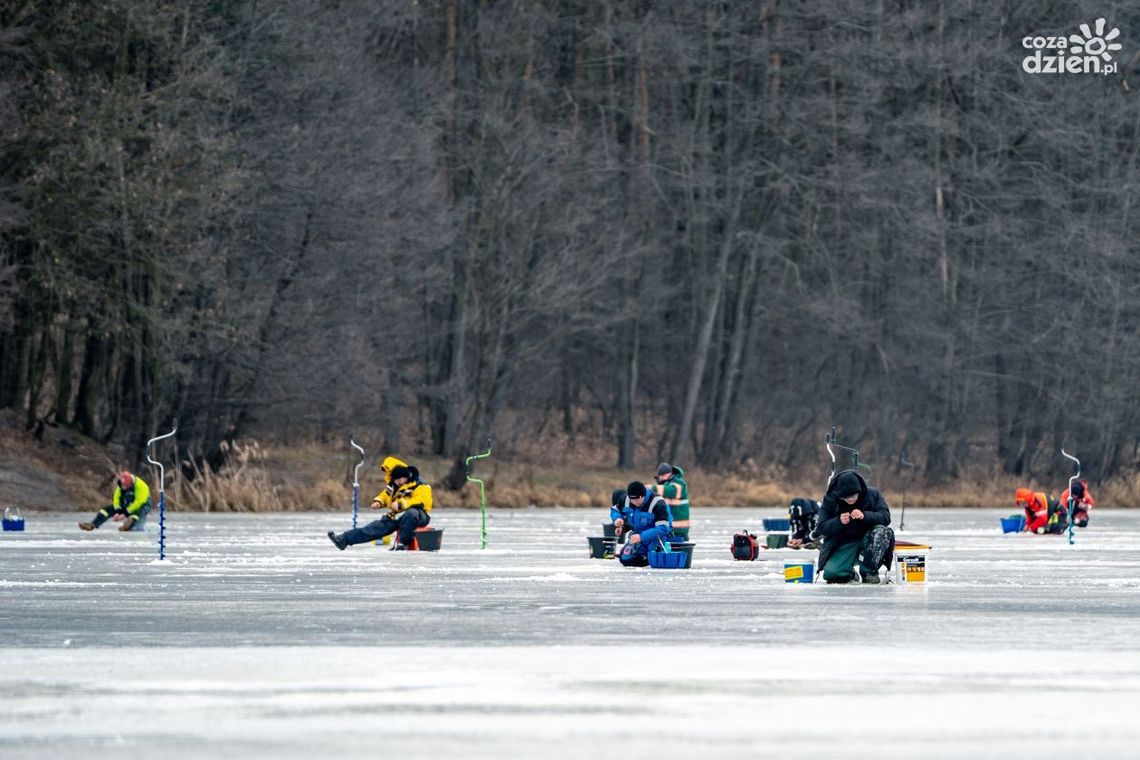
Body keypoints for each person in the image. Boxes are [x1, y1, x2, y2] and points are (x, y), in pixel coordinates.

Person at [328, 464, 433, 550]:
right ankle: (343, 539)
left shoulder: (420, 486)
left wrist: (400, 504)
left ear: (406, 477)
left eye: (400, 479)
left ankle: (403, 544)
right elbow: (385, 496)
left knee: (411, 513)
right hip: (396, 516)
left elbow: (421, 501)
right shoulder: (394, 487)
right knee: (373, 529)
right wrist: (379, 502)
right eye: (396, 480)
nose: (398, 482)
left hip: (419, 516)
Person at [816, 470, 895, 583]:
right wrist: (838, 521)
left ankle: (869, 572)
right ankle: (849, 573)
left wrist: (865, 515)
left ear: (859, 491)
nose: (849, 500)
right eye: (845, 497)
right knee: (832, 574)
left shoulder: (873, 494)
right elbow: (822, 527)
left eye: (852, 496)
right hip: (844, 543)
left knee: (882, 532)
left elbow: (885, 517)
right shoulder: (830, 499)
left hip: (868, 540)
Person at [611, 481, 674, 567]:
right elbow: (615, 509)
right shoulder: (626, 499)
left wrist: (641, 537)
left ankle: (650, 556)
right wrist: (619, 521)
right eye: (632, 499)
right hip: (637, 536)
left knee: (635, 559)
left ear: (643, 495)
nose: (634, 502)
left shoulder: (658, 503)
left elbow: (663, 528)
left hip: (657, 537)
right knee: (625, 559)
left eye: (637, 500)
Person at [79, 471, 151, 532]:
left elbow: (138, 502)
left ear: (131, 483)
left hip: (142, 505)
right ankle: (93, 524)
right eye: (123, 486)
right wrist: (118, 511)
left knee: (136, 515)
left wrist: (125, 514)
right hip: (126, 504)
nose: (124, 488)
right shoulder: (120, 484)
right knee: (105, 510)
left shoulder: (141, 486)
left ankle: (128, 526)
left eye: (126, 486)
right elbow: (116, 498)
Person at [649, 462, 690, 540]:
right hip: (669, 528)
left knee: (678, 550)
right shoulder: (667, 483)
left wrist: (651, 488)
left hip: (679, 530)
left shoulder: (679, 483)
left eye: (660, 476)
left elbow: (670, 491)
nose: (658, 479)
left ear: (666, 475)